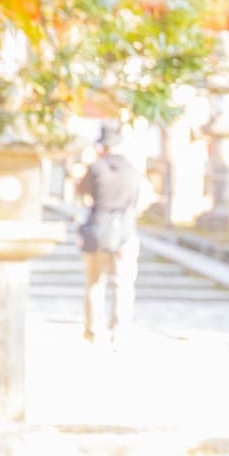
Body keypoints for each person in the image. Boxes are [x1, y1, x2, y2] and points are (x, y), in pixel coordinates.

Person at [78, 125, 141, 347]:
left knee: (95, 283)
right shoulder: (131, 169)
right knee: (122, 284)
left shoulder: (95, 168)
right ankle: (119, 331)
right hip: (124, 230)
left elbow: (82, 193)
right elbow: (135, 201)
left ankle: (93, 331)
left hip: (97, 229)